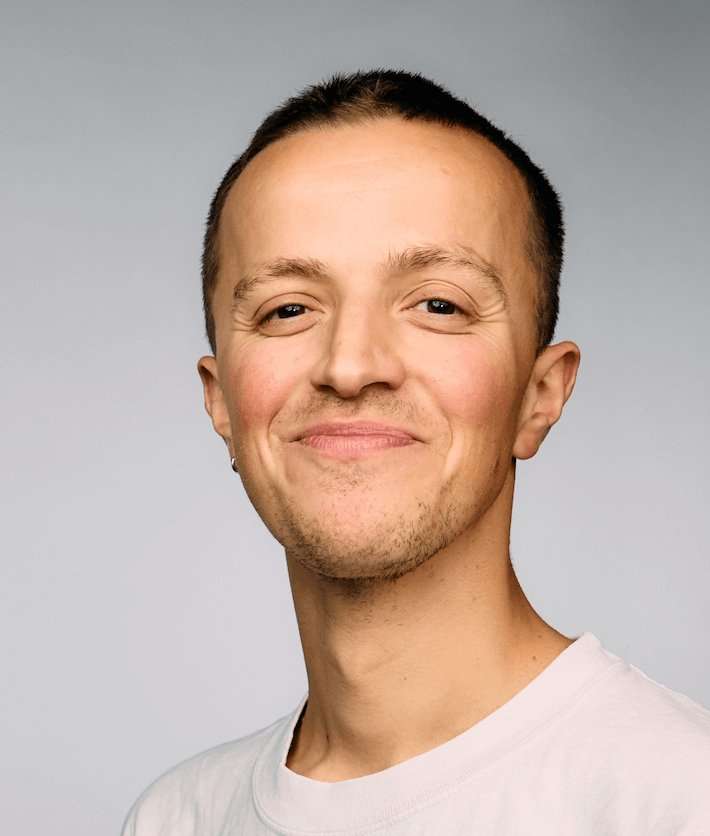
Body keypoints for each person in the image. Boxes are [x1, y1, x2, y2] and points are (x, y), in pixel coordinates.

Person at [121, 69, 710, 835]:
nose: (351, 364)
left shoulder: (677, 799)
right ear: (221, 402)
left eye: (440, 304)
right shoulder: (177, 819)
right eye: (288, 308)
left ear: (541, 394)